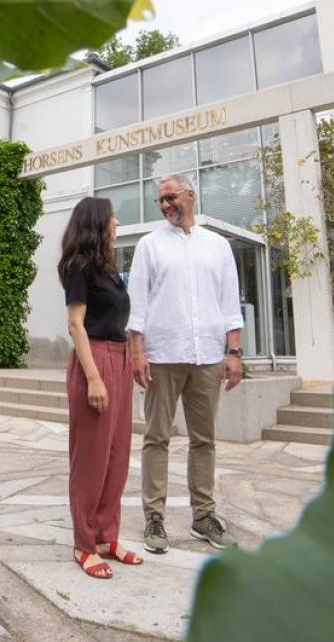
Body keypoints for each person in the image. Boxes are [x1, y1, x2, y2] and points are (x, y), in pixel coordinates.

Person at [127, 174, 243, 553]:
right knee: (157, 438)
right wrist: (138, 351)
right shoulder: (149, 245)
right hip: (162, 357)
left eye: (170, 197)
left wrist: (234, 352)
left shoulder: (218, 246)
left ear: (190, 196)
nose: (165, 205)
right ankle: (154, 519)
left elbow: (230, 301)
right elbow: (138, 304)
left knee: (204, 440)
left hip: (208, 356)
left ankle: (203, 517)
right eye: (160, 201)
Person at [60, 197, 142, 579]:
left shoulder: (107, 269)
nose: (117, 222)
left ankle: (108, 536)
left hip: (119, 358)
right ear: (98, 222)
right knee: (90, 459)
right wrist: (93, 377)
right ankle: (84, 544)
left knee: (116, 455)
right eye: (112, 217)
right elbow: (76, 325)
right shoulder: (79, 266)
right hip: (94, 359)